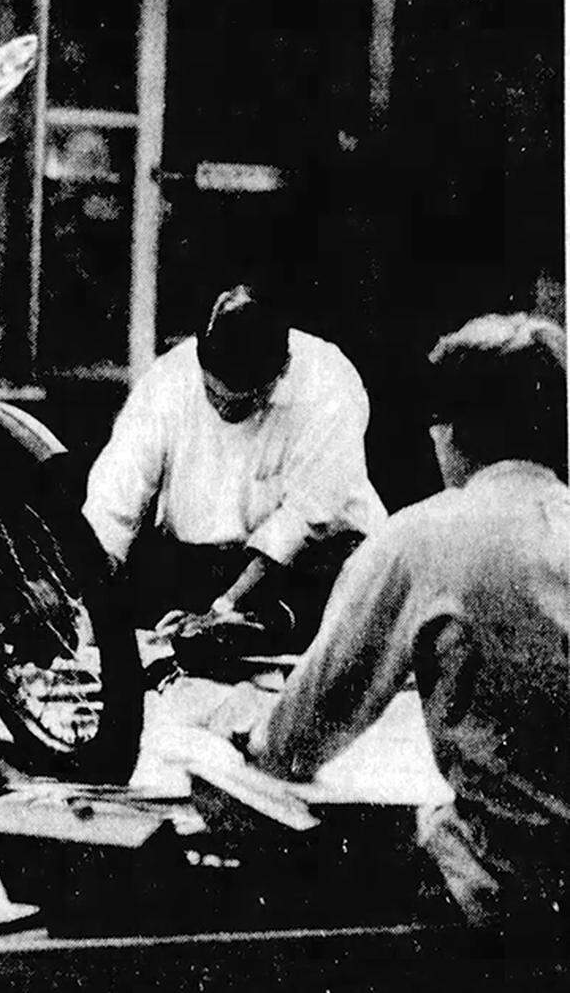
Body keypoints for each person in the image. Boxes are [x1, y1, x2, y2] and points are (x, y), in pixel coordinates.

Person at [241, 313, 568, 938]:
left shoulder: (419, 538)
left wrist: (234, 727)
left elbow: (291, 742)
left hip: (512, 898)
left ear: (448, 432)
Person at [83, 285, 387, 650]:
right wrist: (83, 598)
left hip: (315, 569)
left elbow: (307, 519)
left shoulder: (327, 380)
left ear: (280, 373)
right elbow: (112, 505)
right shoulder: (168, 381)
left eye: (241, 402)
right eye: (215, 395)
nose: (225, 411)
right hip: (201, 567)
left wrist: (227, 607)